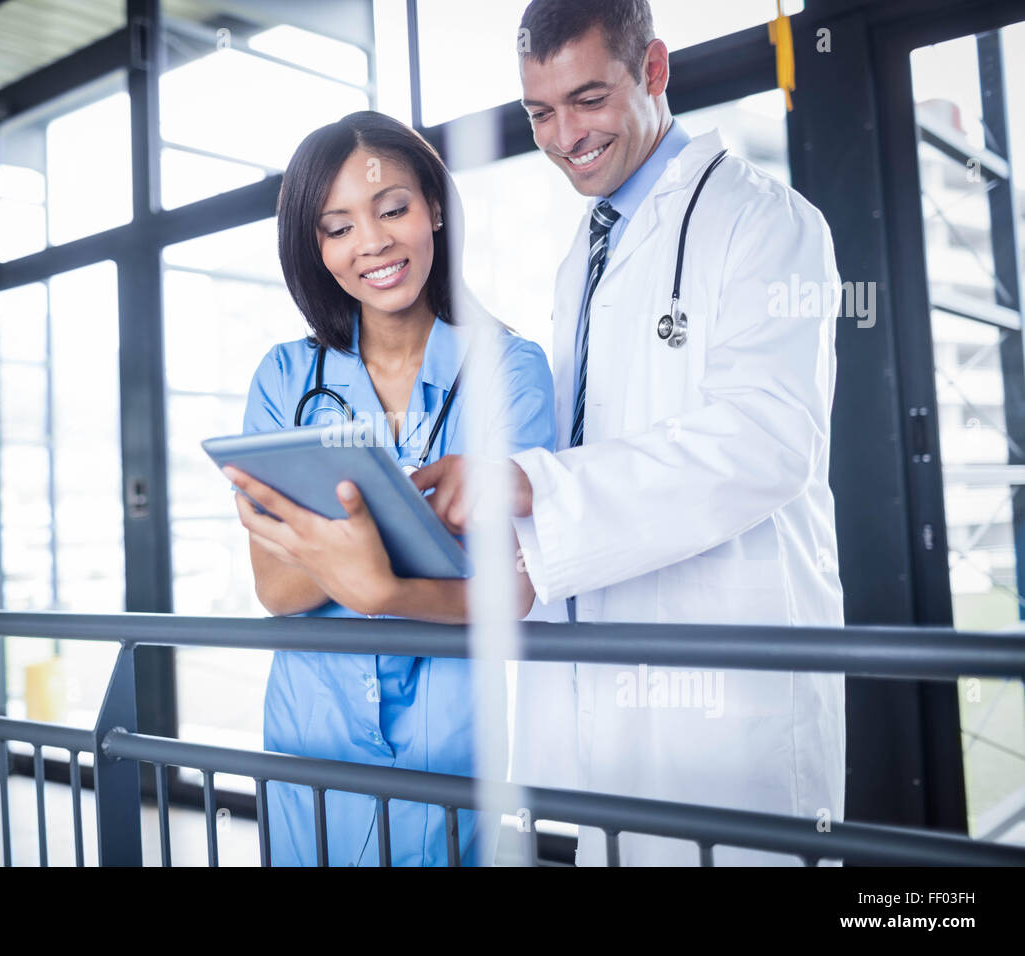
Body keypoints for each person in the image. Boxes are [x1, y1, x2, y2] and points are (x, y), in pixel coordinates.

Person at [412, 0, 846, 866]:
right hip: (610, 665)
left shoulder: (765, 221)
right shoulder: (589, 250)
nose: (563, 136)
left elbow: (765, 441)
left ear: (654, 71)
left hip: (728, 670)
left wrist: (538, 485)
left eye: (588, 100)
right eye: (540, 112)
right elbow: (600, 436)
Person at [223, 110, 556, 866]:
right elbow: (275, 587)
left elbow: (513, 588)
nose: (371, 243)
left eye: (393, 209)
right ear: (316, 248)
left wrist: (357, 567)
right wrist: (410, 554)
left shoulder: (510, 371)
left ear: (434, 206)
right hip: (312, 727)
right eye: (336, 227)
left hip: (451, 734)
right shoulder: (286, 379)